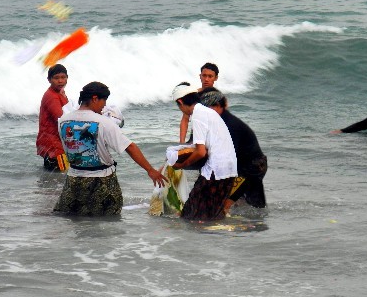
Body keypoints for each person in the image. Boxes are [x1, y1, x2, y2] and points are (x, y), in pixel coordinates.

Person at [54, 82, 166, 216]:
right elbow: (129, 147)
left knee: (77, 224)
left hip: (73, 181)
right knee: (107, 227)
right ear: (95, 98)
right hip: (102, 182)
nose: (104, 106)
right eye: (103, 101)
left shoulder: (63, 121)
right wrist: (150, 170)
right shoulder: (104, 122)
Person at [172, 83, 237, 220]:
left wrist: (182, 165)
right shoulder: (207, 111)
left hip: (216, 171)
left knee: (191, 215)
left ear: (180, 102)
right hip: (229, 170)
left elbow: (200, 152)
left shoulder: (197, 115)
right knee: (212, 214)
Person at [199, 87, 267, 212]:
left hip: (251, 169)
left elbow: (226, 155)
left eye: (209, 108)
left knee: (228, 205)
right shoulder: (216, 120)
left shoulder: (229, 124)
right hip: (246, 167)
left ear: (219, 106)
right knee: (252, 208)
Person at [36, 64, 75, 171]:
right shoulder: (52, 96)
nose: (60, 81)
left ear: (67, 78)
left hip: (55, 144)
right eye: (56, 78)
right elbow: (62, 120)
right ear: (49, 80)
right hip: (54, 146)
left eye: (63, 77)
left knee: (53, 180)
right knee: (61, 176)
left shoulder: (60, 93)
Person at [179, 62, 219, 143]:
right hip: (194, 137)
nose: (206, 79)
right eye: (204, 75)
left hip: (212, 138)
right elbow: (185, 119)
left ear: (216, 78)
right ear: (200, 76)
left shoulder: (218, 98)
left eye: (210, 76)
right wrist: (182, 142)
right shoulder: (193, 95)